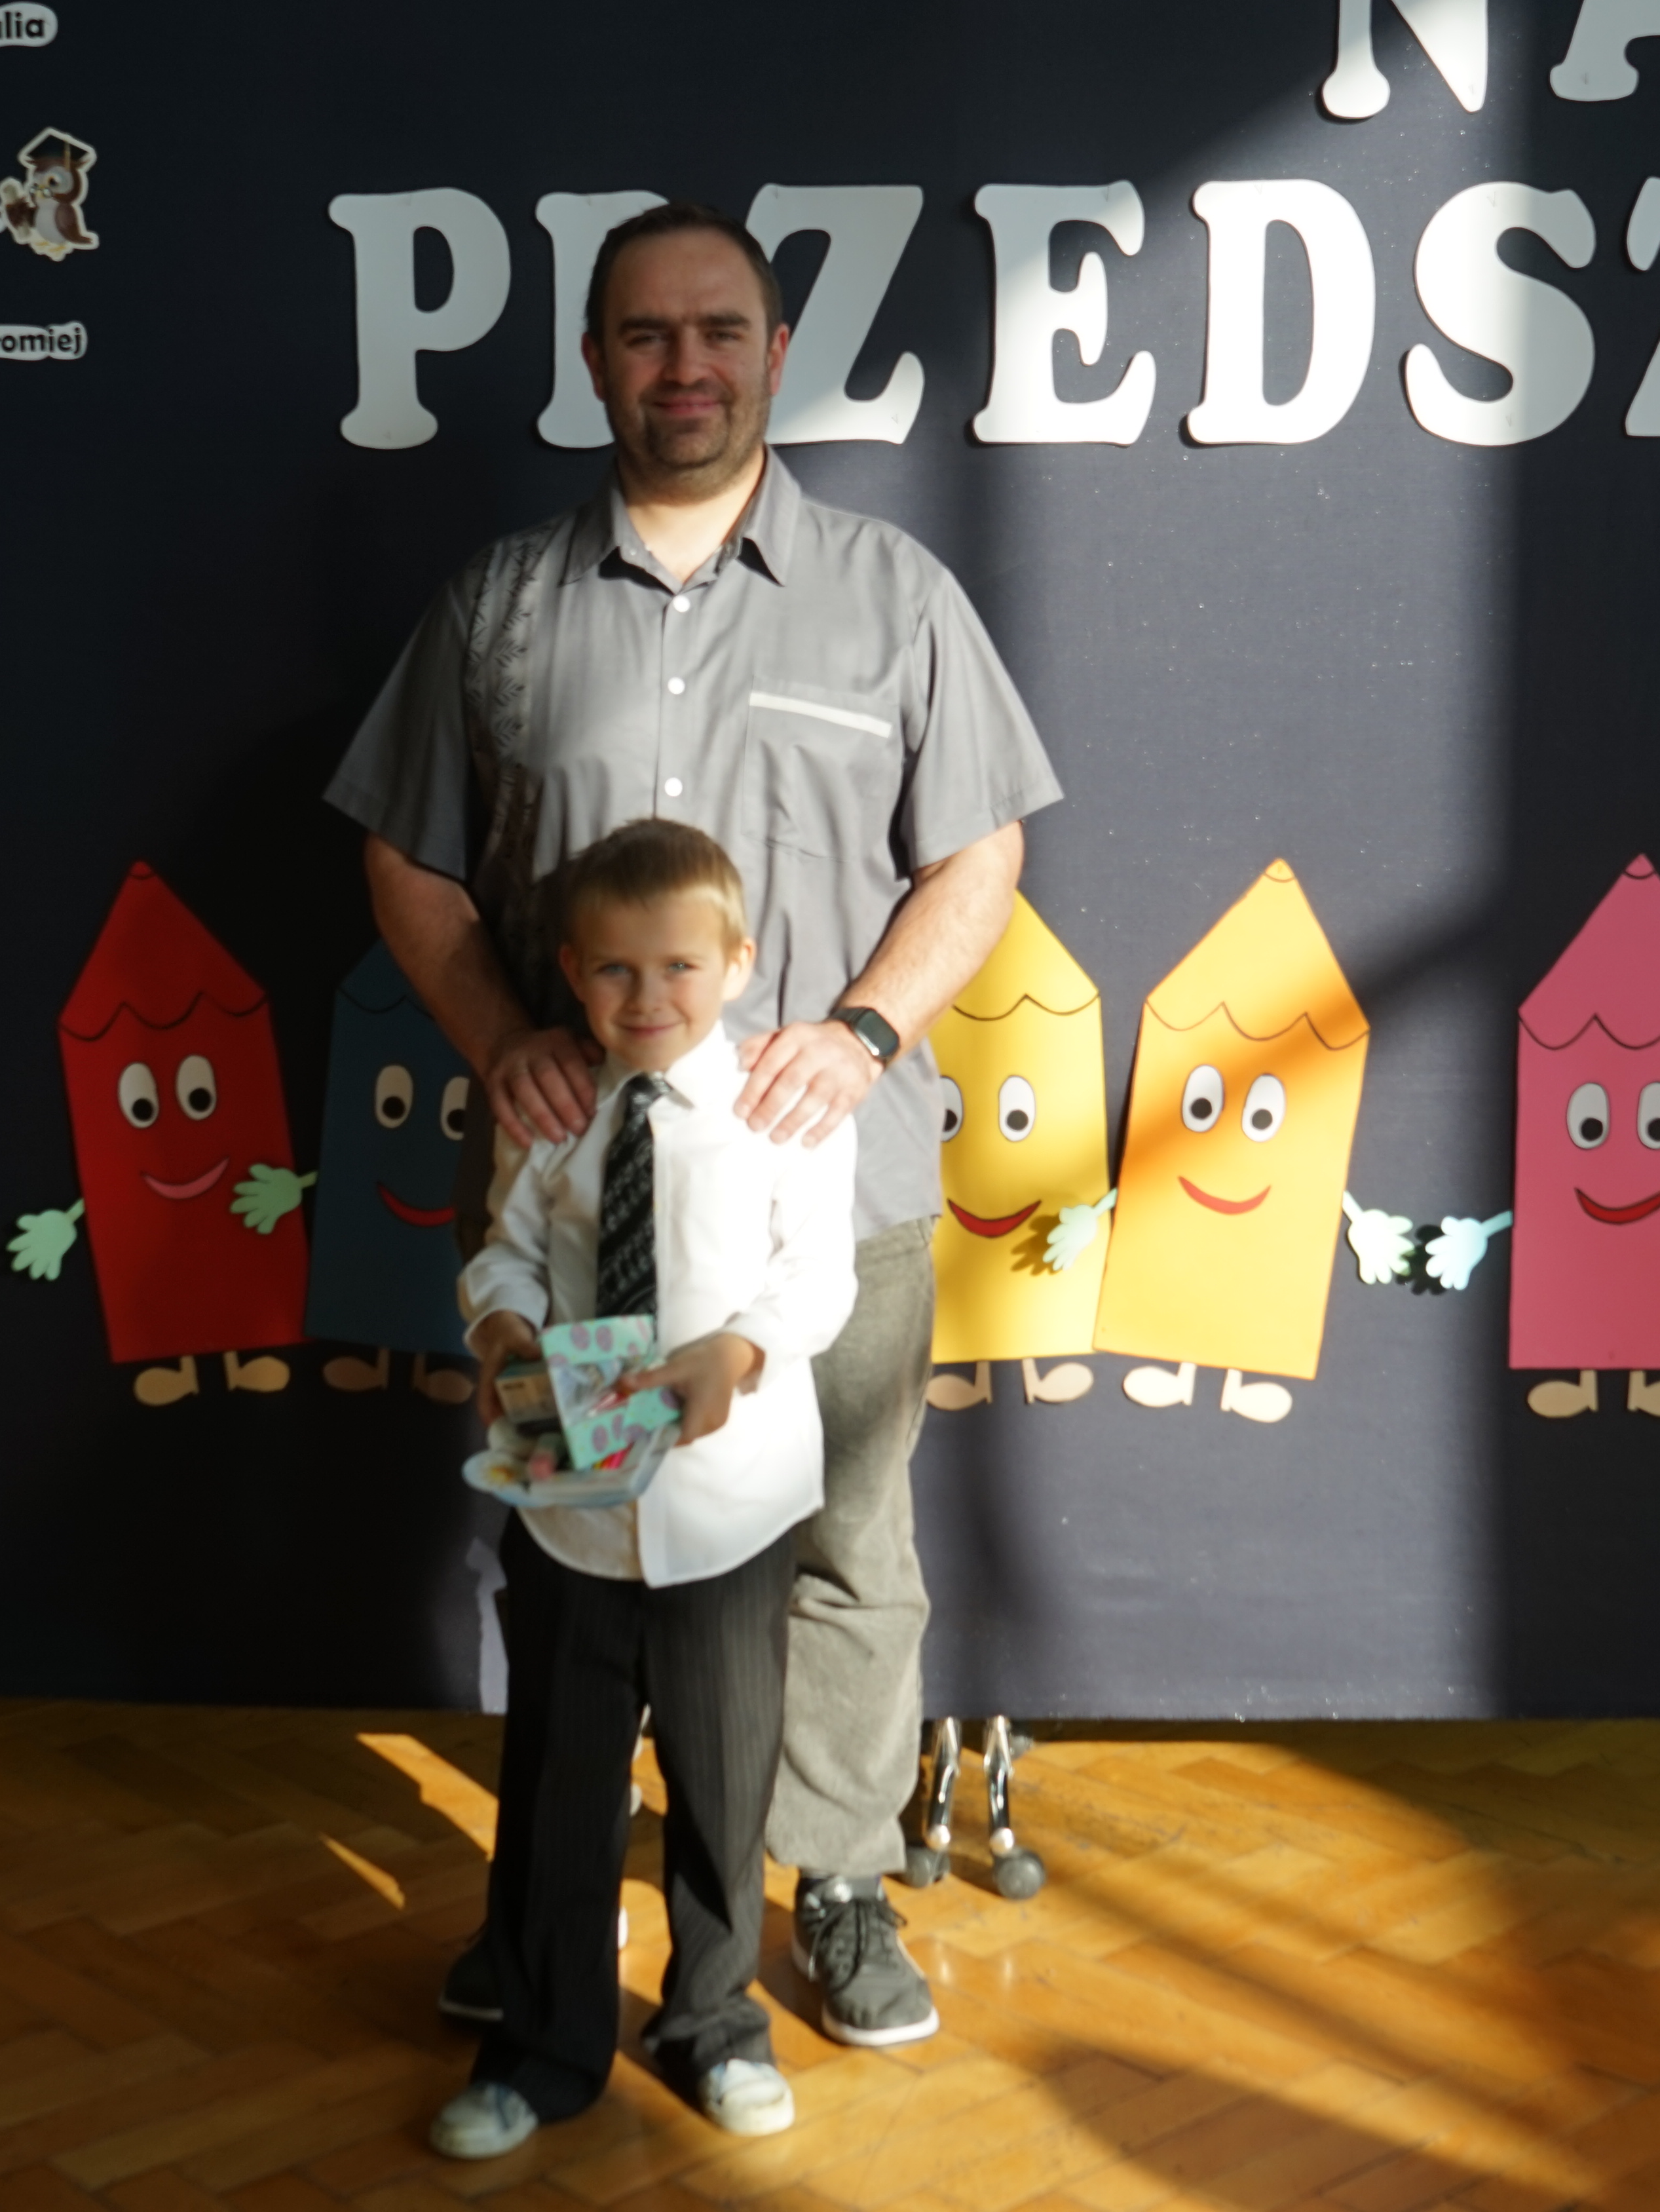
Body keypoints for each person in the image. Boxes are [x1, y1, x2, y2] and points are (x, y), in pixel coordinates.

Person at [331, 198, 1060, 2050]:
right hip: (576, 1198)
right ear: (594, 362)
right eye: (647, 334)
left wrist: (870, 1030)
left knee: (840, 1542)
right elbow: (406, 859)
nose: (686, 367)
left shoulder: (896, 594)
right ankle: (557, 1899)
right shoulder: (500, 605)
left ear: (774, 352)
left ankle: (836, 1878)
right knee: (573, 1544)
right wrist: (500, 1035)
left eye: (720, 330)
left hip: (823, 1191)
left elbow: (982, 852)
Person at [431, 820, 859, 2158]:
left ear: (737, 963)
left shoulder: (781, 1114)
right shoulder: (557, 1111)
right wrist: (504, 1331)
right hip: (573, 1506)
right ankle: (543, 2045)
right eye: (614, 968)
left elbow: (817, 1280)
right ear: (571, 971)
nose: (648, 996)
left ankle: (714, 2021)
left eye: (679, 965)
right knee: (560, 1784)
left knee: (721, 1786)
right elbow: (505, 1250)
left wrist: (735, 1354)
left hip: (729, 1513)